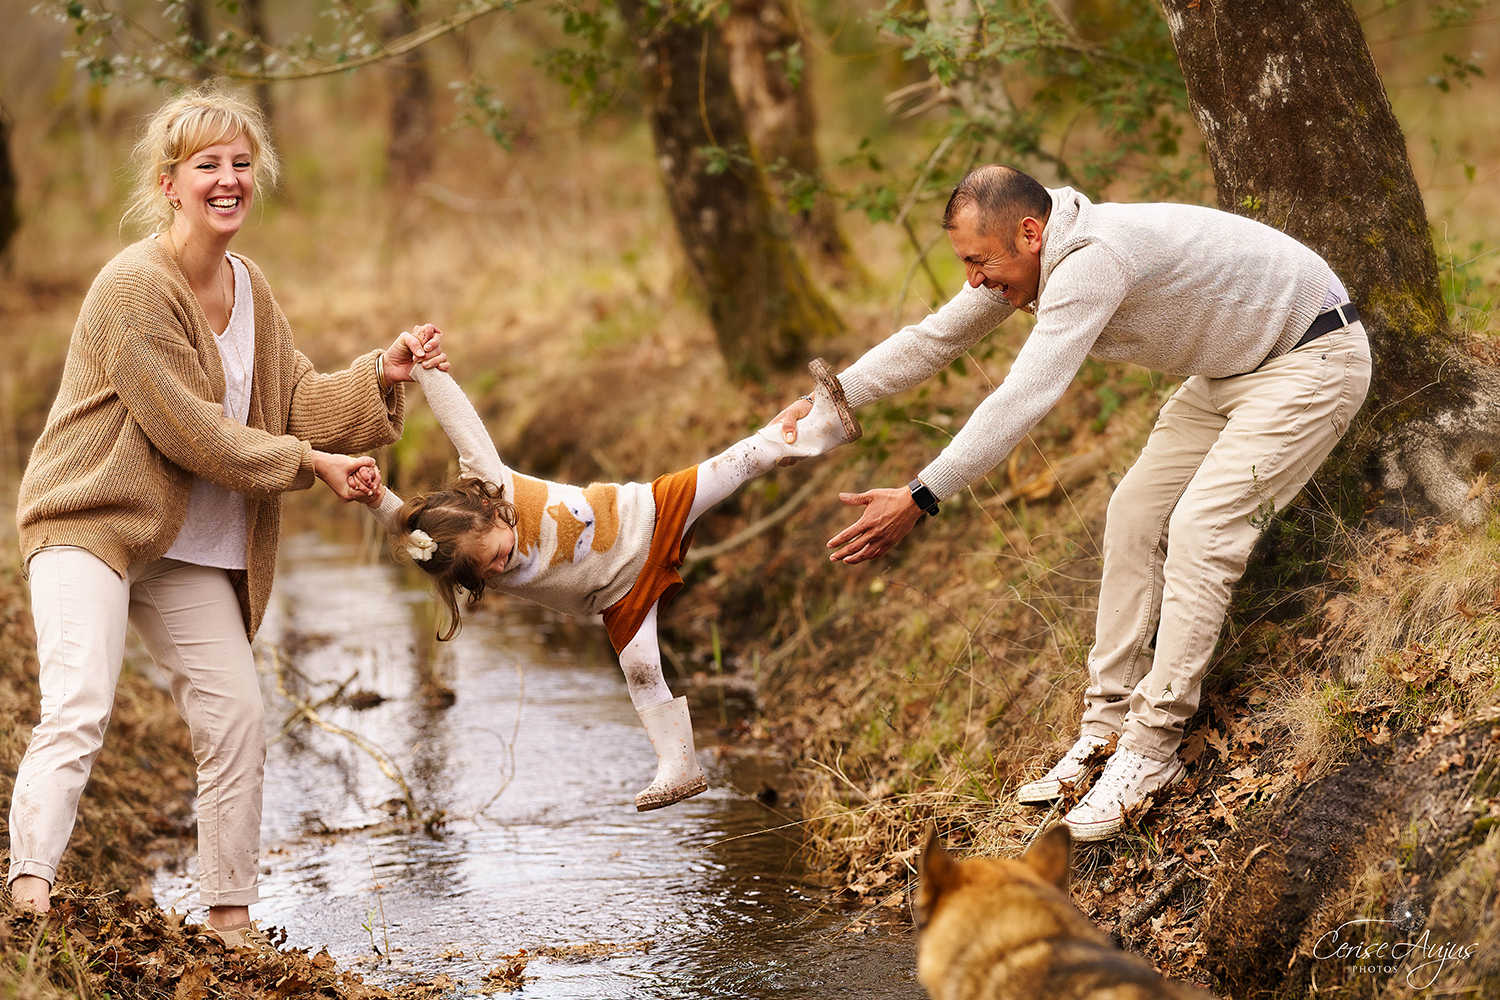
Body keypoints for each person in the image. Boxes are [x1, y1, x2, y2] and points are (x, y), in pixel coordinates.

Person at [776, 164, 1372, 841]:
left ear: (1029, 232)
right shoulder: (1034, 256)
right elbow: (936, 339)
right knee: (1132, 516)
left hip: (1312, 358)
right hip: (1232, 371)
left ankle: (1151, 751)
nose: (973, 278)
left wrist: (921, 495)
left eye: (978, 261)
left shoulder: (1091, 262)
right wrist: (834, 396)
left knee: (1204, 530)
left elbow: (1021, 398)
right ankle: (1106, 729)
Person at [5, 86, 447, 947]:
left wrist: (381, 378)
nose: (229, 180)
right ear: (169, 183)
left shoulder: (251, 287)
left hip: (187, 549)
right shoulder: (134, 287)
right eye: (208, 165)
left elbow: (296, 402)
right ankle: (25, 904)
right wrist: (308, 467)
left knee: (236, 717)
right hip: (89, 520)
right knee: (81, 702)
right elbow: (195, 432)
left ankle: (229, 918)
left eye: (242, 164)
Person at [366, 358, 861, 811]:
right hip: (621, 597)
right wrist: (374, 499)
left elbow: (462, 426)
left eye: (495, 554)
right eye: (486, 575)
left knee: (737, 463)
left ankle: (824, 425)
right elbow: (412, 532)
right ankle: (679, 765)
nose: (497, 570)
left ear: (494, 512)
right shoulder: (468, 559)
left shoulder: (494, 481)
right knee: (642, 672)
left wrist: (427, 372)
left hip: (646, 517)